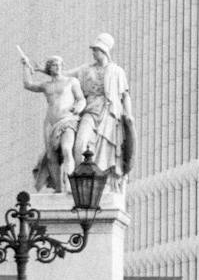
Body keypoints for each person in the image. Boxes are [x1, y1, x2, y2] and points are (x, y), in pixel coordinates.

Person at [72, 32, 134, 201]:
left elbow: (125, 95)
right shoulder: (85, 69)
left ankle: (102, 186)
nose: (93, 53)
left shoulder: (116, 71)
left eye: (96, 50)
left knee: (106, 151)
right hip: (90, 110)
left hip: (109, 112)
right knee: (80, 145)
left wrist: (128, 115)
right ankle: (80, 184)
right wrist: (43, 70)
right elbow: (64, 74)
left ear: (104, 51)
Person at [20, 51, 85, 192]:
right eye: (54, 65)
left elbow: (81, 99)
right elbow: (28, 84)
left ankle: (69, 184)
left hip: (67, 119)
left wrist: (78, 108)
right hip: (50, 122)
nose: (57, 67)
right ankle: (58, 188)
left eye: (59, 64)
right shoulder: (46, 85)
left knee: (67, 149)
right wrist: (26, 66)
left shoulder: (71, 82)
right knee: (51, 157)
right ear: (49, 68)